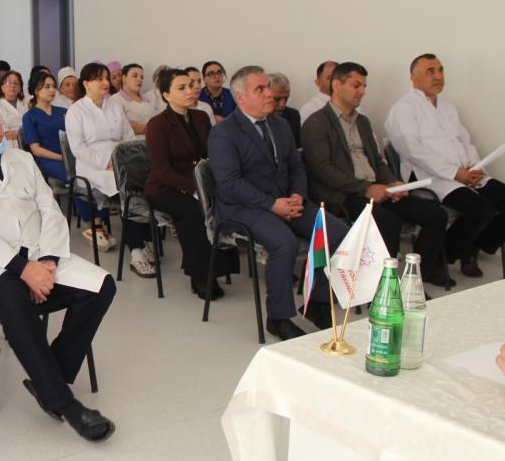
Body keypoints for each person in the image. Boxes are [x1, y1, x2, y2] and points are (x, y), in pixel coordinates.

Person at [0, 96, 117, 442]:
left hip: (39, 252)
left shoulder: (21, 158)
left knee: (102, 286)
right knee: (11, 295)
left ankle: (50, 376)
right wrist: (22, 269)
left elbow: (49, 209)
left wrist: (47, 261)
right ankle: (65, 403)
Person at [208, 66, 348, 340]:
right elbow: (230, 183)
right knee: (284, 243)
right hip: (243, 207)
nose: (269, 94)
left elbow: (296, 165)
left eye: (268, 87)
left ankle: (317, 302)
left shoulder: (280, 125)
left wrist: (297, 194)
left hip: (286, 201)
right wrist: (272, 204)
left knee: (338, 233)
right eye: (260, 89)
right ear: (240, 97)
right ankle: (278, 317)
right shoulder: (223, 133)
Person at [302, 62, 453, 287]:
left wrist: (393, 182)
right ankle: (382, 287)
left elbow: (377, 160)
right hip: (343, 195)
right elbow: (323, 170)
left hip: (375, 188)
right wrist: (366, 189)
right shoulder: (316, 122)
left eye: (364, 86)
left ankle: (417, 276)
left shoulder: (362, 121)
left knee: (435, 215)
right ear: (336, 85)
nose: (362, 91)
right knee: (388, 222)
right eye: (356, 85)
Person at [385, 53, 505, 277]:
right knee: (482, 210)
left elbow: (464, 140)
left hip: (465, 172)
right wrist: (454, 172)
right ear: (414, 78)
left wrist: (475, 166)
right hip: (432, 177)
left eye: (440, 70)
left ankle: (473, 246)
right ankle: (444, 256)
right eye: (431, 71)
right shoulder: (404, 108)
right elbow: (412, 149)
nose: (438, 76)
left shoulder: (447, 107)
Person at [66, 63, 155, 275]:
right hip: (93, 167)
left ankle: (144, 240)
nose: (106, 82)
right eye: (99, 79)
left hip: (120, 160)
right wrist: (106, 162)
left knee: (147, 182)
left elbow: (129, 137)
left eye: (107, 78)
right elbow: (78, 149)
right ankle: (136, 252)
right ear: (86, 83)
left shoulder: (114, 106)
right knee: (126, 190)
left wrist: (125, 159)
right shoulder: (76, 111)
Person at [143, 69, 223, 300]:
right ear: (167, 95)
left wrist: (209, 185)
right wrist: (195, 189)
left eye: (191, 85)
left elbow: (210, 155)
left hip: (197, 183)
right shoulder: (157, 125)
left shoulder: (200, 117)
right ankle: (202, 277)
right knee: (194, 211)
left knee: (220, 205)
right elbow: (162, 170)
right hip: (164, 187)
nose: (191, 90)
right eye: (182, 87)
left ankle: (207, 269)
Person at [22, 72, 68, 182]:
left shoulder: (63, 112)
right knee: (72, 176)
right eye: (47, 87)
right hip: (47, 159)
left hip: (68, 156)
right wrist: (62, 158)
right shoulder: (29, 117)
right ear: (36, 90)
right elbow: (36, 150)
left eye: (54, 86)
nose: (52, 90)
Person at [116, 63, 159, 135]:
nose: (139, 80)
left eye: (142, 77)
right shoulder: (115, 100)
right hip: (132, 142)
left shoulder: (148, 99)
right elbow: (119, 126)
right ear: (124, 78)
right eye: (135, 76)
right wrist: (144, 128)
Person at [267, 72, 302, 148]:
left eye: (286, 98)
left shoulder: (293, 116)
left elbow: (298, 148)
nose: (282, 104)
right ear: (265, 94)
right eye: (277, 99)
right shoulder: (256, 118)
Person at [0, 70, 26, 146]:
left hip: (27, 143)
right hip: (8, 145)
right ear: (2, 87)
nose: (13, 86)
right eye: (9, 83)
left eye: (16, 83)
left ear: (20, 87)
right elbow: (4, 134)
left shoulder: (26, 105)